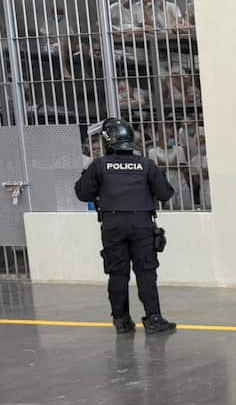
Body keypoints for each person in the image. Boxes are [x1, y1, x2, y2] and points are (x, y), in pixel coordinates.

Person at [74, 118, 178, 334]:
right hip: (141, 223)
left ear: (108, 142)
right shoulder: (145, 164)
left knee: (117, 274)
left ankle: (121, 321)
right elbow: (166, 193)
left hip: (113, 225)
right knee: (146, 272)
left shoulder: (100, 165)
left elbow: (83, 194)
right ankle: (154, 318)